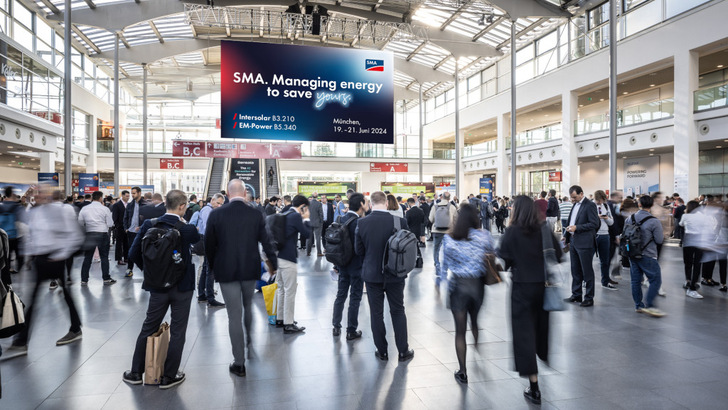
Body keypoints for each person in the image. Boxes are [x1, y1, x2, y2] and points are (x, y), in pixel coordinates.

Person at [123, 190, 200, 389]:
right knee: (178, 331)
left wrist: (152, 271)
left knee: (149, 326)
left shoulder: (150, 224)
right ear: (182, 206)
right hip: (182, 287)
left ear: (166, 203)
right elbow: (201, 248)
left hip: (157, 287)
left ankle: (135, 373)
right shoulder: (188, 228)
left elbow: (133, 253)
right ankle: (168, 376)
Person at [205, 180, 279, 377]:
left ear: (228, 194)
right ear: (245, 192)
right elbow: (267, 241)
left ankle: (239, 363)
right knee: (248, 305)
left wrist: (212, 267)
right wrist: (274, 263)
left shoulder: (216, 214)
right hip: (249, 268)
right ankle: (249, 342)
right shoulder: (255, 213)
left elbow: (209, 245)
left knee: (233, 315)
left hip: (226, 270)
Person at [3, 187, 85, 361]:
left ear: (49, 195)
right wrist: (29, 256)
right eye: (36, 193)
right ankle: (22, 341)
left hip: (54, 257)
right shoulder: (34, 212)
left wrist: (60, 255)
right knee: (38, 299)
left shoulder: (60, 210)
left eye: (42, 193)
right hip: (40, 259)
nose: (38, 196)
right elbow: (31, 235)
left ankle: (22, 341)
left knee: (64, 296)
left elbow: (75, 236)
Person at [497, 196, 562, 405]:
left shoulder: (512, 231)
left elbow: (503, 263)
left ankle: (534, 387)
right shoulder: (543, 229)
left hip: (521, 288)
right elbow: (558, 254)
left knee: (523, 334)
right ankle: (542, 353)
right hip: (543, 287)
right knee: (541, 327)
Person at [355, 191, 414, 362]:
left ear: (371, 204)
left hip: (372, 276)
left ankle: (382, 351)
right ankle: (403, 351)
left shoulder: (362, 222)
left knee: (376, 313)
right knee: (398, 310)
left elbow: (359, 251)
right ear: (386, 203)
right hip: (395, 275)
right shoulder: (400, 221)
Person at [441, 203, 494, 384]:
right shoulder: (485, 236)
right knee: (475, 320)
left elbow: (445, 264)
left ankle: (463, 371)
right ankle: (477, 345)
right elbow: (492, 254)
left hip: (458, 286)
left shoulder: (449, 238)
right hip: (478, 285)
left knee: (459, 331)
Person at [273, 194, 310, 333]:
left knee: (281, 289)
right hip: (288, 258)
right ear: (303, 206)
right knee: (290, 291)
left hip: (279, 256)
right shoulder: (295, 216)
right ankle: (288, 324)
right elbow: (306, 234)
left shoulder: (285, 213)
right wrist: (306, 218)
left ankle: (280, 318)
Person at [332, 193, 367, 340]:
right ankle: (351, 330)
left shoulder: (341, 219)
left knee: (340, 295)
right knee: (355, 297)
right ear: (361, 204)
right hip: (357, 266)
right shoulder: (360, 223)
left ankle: (336, 326)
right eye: (365, 202)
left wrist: (336, 264)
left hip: (342, 264)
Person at [627, 195, 666, 316]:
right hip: (648, 254)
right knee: (655, 280)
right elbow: (659, 240)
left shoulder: (629, 218)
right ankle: (650, 304)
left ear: (639, 204)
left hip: (632, 253)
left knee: (635, 281)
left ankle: (638, 305)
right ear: (652, 205)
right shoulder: (654, 221)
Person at [563, 185, 599, 307]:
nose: (572, 200)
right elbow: (571, 222)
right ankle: (576, 294)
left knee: (587, 271)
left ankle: (589, 297)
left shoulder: (590, 205)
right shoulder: (575, 205)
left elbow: (594, 223)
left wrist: (577, 228)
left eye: (574, 197)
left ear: (581, 193)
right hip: (573, 242)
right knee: (575, 270)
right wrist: (566, 235)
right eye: (571, 198)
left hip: (585, 243)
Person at [189, 193, 225, 307]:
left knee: (205, 268)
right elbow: (208, 227)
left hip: (207, 240)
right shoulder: (207, 210)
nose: (219, 206)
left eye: (221, 204)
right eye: (218, 203)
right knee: (210, 270)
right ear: (213, 200)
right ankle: (210, 298)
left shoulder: (209, 210)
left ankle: (202, 295)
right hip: (208, 241)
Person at [78, 191, 115, 286]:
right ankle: (106, 278)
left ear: (92, 198)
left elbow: (80, 223)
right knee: (104, 257)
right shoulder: (105, 209)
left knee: (87, 258)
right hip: (102, 234)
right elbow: (110, 223)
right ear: (100, 198)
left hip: (89, 234)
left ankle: (84, 279)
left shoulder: (85, 209)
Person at [680, 200, 710, 298]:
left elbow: (681, 224)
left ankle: (687, 281)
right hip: (699, 240)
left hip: (688, 239)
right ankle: (692, 287)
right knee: (697, 264)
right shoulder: (703, 216)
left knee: (687, 262)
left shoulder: (685, 216)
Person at [429, 192, 457, 285]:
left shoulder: (435, 206)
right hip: (448, 231)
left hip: (437, 231)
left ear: (442, 197)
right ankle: (445, 267)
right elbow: (455, 219)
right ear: (449, 198)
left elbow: (431, 219)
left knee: (436, 248)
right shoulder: (452, 207)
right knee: (447, 249)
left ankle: (437, 263)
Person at [0, 186, 24, 285]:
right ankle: (21, 271)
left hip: (4, 236)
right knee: (20, 256)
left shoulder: (1, 206)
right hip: (15, 234)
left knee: (6, 257)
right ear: (12, 193)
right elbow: (21, 221)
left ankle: (7, 280)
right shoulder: (16, 206)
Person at [593, 190, 617, 291]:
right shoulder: (591, 206)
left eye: (602, 201)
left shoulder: (606, 206)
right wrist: (596, 218)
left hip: (605, 235)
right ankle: (586, 281)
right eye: (598, 201)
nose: (600, 203)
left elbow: (611, 222)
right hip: (593, 235)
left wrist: (606, 218)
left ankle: (605, 281)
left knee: (605, 261)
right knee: (587, 260)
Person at [123, 186, 146, 278]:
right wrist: (126, 228)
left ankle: (145, 269)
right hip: (131, 231)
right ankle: (129, 269)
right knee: (131, 251)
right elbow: (125, 217)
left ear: (139, 193)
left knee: (144, 251)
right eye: (131, 193)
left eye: (134, 193)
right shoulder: (130, 205)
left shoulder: (145, 204)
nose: (132, 195)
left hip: (142, 231)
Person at [111, 190, 130, 266]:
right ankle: (119, 259)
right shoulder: (117, 205)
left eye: (128, 196)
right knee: (119, 244)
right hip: (120, 227)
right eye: (126, 196)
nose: (128, 197)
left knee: (126, 243)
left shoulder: (129, 205)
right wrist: (117, 225)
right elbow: (115, 216)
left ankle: (126, 258)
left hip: (127, 228)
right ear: (122, 196)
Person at [306, 193, 324, 257]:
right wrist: (321, 222)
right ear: (317, 197)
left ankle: (308, 252)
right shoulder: (319, 204)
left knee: (309, 238)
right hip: (317, 223)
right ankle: (319, 252)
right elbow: (321, 214)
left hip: (309, 223)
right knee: (318, 238)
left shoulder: (308, 204)